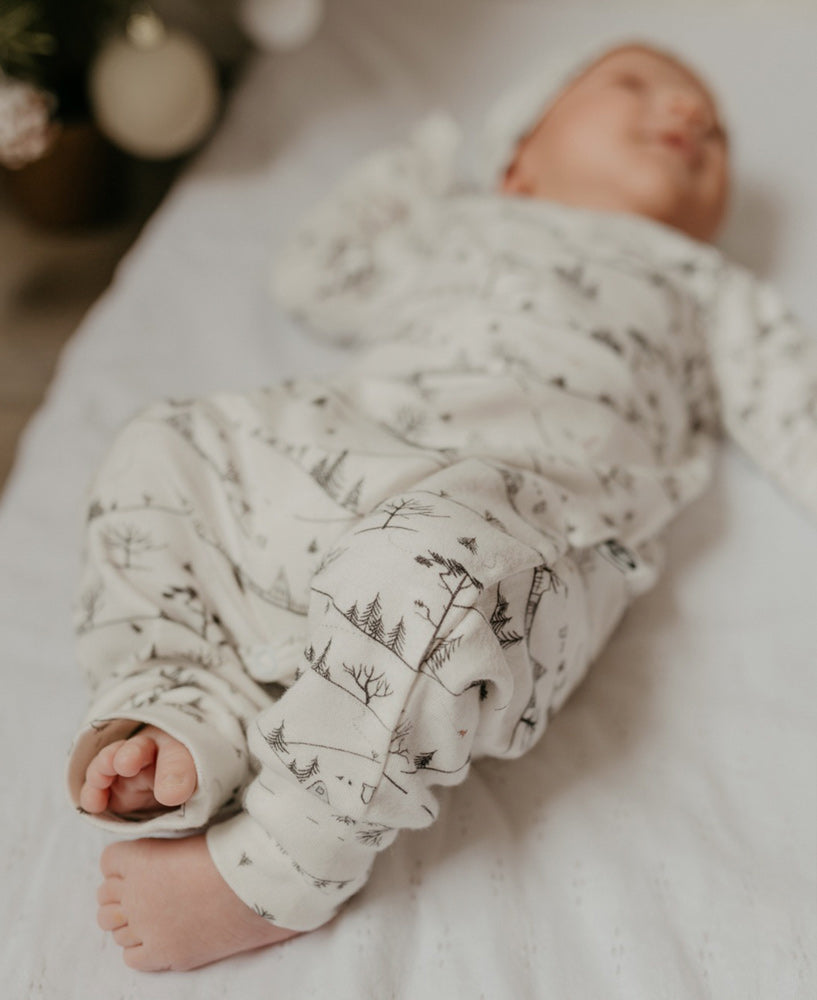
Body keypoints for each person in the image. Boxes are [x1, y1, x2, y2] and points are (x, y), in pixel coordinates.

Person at [66, 40, 816, 972]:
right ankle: (184, 706)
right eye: (635, 86)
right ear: (520, 155)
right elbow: (318, 273)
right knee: (168, 444)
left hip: (517, 525)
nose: (687, 117)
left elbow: (798, 409)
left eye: (713, 131)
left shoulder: (704, 287)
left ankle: (283, 860)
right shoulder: (462, 224)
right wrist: (411, 171)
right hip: (334, 460)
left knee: (439, 584)